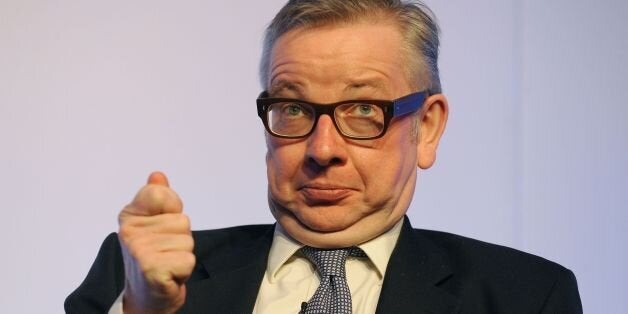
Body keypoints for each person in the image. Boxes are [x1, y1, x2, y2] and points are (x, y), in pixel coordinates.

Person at [65, 0, 583, 313]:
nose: (322, 149)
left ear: (427, 127)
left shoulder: (525, 298)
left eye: (363, 109)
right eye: (293, 108)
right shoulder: (133, 279)